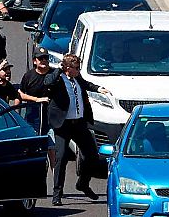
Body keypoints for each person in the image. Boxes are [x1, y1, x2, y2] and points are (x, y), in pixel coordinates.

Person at [44, 53, 110, 206]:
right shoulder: (58, 79)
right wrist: (58, 70)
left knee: (92, 155)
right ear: (67, 68)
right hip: (63, 125)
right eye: (76, 68)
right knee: (61, 158)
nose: (78, 71)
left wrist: (99, 89)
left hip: (79, 123)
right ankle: (57, 193)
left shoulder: (76, 78)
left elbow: (86, 84)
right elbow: (47, 82)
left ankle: (83, 184)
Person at [20, 47, 56, 167]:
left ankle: (56, 178)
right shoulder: (28, 76)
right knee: (31, 150)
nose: (44, 61)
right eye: (40, 59)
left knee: (52, 148)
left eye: (46, 58)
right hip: (32, 119)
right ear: (35, 61)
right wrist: (36, 100)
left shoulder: (54, 75)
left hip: (51, 121)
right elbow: (20, 94)